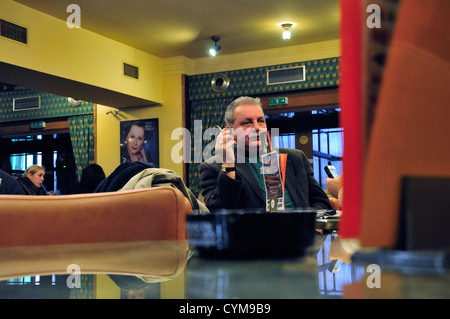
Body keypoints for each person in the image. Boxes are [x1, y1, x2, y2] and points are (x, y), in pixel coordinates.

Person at [198, 96, 332, 210]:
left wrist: (311, 226)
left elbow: (322, 203)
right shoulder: (212, 167)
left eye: (261, 121)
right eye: (247, 123)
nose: (257, 127)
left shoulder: (296, 157)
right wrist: (228, 164)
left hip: (302, 236)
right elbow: (221, 212)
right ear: (230, 131)